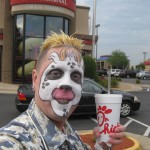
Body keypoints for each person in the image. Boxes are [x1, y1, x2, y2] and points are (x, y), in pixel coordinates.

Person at [0, 32, 125, 149]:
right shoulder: (11, 141)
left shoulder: (68, 131)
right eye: (55, 73)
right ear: (35, 79)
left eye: (75, 76)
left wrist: (102, 145)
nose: (67, 84)